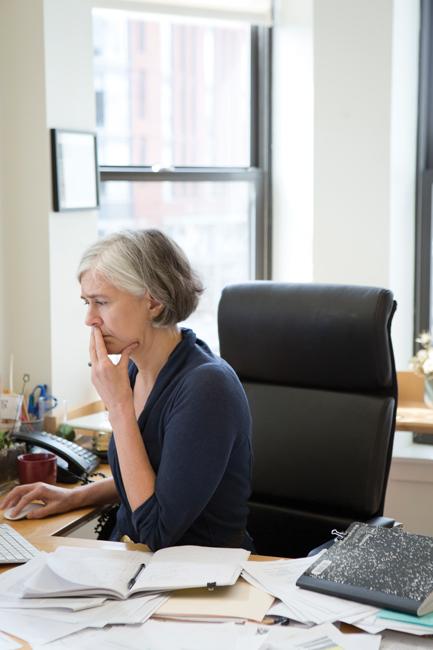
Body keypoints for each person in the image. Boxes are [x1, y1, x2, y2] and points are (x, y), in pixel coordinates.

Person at [1, 229, 253, 551]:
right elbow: (151, 480)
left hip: (197, 582)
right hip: (135, 567)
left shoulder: (207, 388)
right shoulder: (133, 369)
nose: (90, 319)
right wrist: (73, 496)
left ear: (153, 302)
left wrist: (119, 407)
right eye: (86, 303)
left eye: (101, 302)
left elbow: (156, 532)